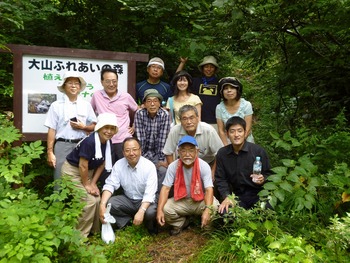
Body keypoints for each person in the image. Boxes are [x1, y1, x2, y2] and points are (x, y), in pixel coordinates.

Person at [61, 112, 118, 237]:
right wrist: (87, 184)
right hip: (72, 171)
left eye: (112, 128)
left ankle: (95, 232)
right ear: (99, 128)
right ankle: (80, 236)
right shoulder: (90, 142)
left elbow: (102, 164)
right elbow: (83, 165)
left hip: (87, 173)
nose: (108, 131)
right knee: (89, 201)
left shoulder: (107, 143)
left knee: (97, 199)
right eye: (106, 128)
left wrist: (93, 183)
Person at [157, 135, 219, 235]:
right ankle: (181, 223)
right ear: (178, 152)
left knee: (214, 207)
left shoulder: (204, 166)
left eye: (191, 150)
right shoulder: (173, 166)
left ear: (197, 152)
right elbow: (165, 189)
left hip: (200, 200)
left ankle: (207, 228)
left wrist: (207, 210)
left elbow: (209, 190)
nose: (187, 154)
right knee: (165, 209)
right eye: (183, 151)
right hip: (182, 200)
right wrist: (159, 210)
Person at [45, 72, 97, 190]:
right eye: (70, 83)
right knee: (59, 178)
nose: (73, 86)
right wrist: (50, 152)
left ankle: (80, 207)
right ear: (64, 86)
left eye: (76, 83)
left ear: (80, 87)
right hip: (62, 145)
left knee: (81, 177)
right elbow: (51, 129)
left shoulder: (86, 105)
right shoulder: (56, 105)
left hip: (81, 145)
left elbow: (95, 125)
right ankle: (58, 206)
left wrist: (83, 127)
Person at [99, 137, 158, 235]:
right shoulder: (119, 165)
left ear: (140, 150)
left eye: (134, 150)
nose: (131, 153)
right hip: (129, 200)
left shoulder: (149, 166)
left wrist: (141, 211)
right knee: (111, 203)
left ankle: (150, 226)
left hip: (145, 201)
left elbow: (150, 194)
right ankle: (126, 223)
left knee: (150, 212)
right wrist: (102, 204)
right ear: (123, 152)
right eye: (127, 150)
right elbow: (110, 184)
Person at [215, 116, 272, 212]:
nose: (236, 135)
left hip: (257, 194)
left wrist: (263, 179)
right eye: (232, 131)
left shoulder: (258, 151)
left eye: (240, 131)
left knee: (267, 211)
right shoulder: (222, 154)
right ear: (227, 134)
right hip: (235, 196)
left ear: (245, 133)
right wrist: (227, 196)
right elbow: (221, 179)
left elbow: (269, 174)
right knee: (225, 213)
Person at [91, 68, 138, 164]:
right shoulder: (96, 95)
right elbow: (90, 113)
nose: (111, 84)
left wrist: (135, 126)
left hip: (123, 139)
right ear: (102, 82)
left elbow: (138, 110)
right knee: (105, 170)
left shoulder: (126, 96)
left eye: (114, 81)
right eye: (108, 81)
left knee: (126, 168)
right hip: (104, 139)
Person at [163, 104, 223, 177]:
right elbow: (168, 152)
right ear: (180, 121)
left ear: (197, 118)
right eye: (184, 119)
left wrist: (213, 171)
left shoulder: (209, 130)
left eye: (192, 118)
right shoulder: (175, 130)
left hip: (208, 164)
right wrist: (175, 172)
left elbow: (220, 154)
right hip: (184, 164)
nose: (188, 122)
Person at [134, 89, 171, 193]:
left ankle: (158, 197)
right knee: (140, 170)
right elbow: (141, 139)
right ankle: (142, 195)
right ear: (144, 104)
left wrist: (160, 160)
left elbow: (163, 139)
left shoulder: (165, 115)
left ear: (159, 103)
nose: (152, 104)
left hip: (159, 153)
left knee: (163, 171)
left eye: (155, 101)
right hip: (144, 153)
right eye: (149, 101)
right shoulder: (139, 114)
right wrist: (142, 160)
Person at [177, 56, 221, 130]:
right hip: (196, 120)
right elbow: (177, 79)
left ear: (215, 69)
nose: (209, 69)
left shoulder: (219, 83)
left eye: (212, 67)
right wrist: (182, 63)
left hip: (215, 121)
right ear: (202, 68)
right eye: (206, 67)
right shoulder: (195, 81)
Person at [216, 77, 254, 145]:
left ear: (237, 90)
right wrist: (227, 148)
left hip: (246, 141)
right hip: (227, 142)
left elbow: (247, 129)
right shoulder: (219, 108)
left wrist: (238, 145)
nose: (229, 91)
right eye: (225, 88)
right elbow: (221, 131)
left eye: (232, 88)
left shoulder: (246, 105)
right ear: (222, 92)